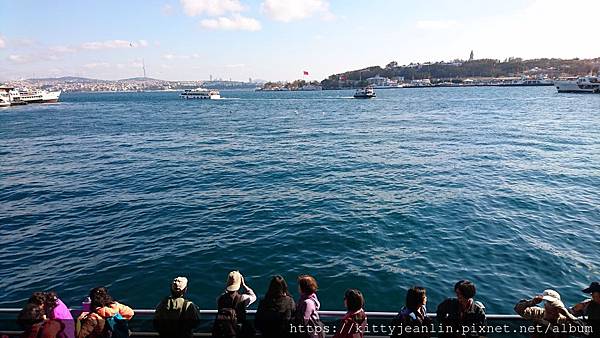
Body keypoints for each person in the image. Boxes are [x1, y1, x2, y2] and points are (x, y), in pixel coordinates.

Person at [514, 289, 581, 338]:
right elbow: (518, 309)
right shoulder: (538, 313)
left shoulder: (565, 320)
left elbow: (582, 331)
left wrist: (569, 316)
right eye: (547, 303)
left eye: (553, 304)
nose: (550, 307)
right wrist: (532, 302)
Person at [213, 271, 257, 338]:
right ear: (239, 284)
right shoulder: (243, 298)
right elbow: (254, 296)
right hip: (238, 331)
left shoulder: (219, 298)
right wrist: (244, 285)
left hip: (224, 332)